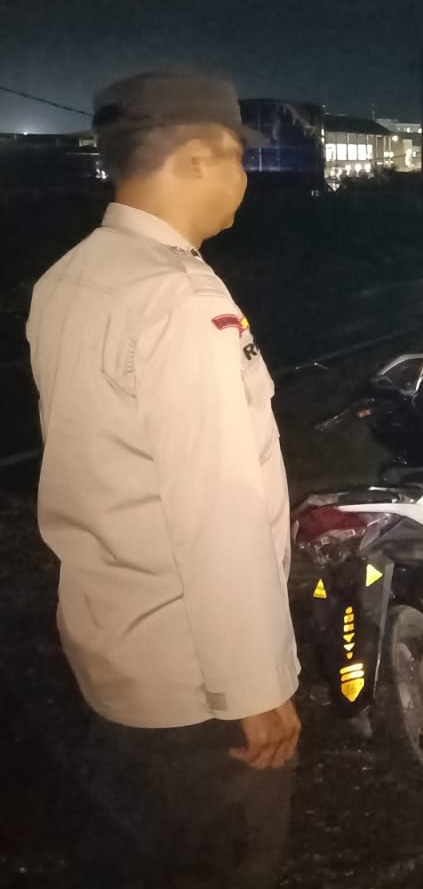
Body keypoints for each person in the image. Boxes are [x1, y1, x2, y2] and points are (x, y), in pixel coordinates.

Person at [27, 72, 300, 888]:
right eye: (237, 158)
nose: (244, 178)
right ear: (195, 159)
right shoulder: (179, 300)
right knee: (215, 857)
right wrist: (253, 688)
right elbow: (216, 510)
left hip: (114, 640)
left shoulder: (71, 276)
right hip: (196, 679)